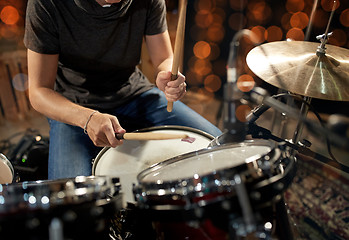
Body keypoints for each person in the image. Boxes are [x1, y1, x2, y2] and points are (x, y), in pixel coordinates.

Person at [24, 0, 222, 180]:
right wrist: (88, 118)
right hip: (73, 108)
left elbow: (163, 59)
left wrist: (167, 75)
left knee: (219, 148)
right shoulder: (45, 3)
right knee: (73, 202)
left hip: (136, 94)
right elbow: (39, 91)